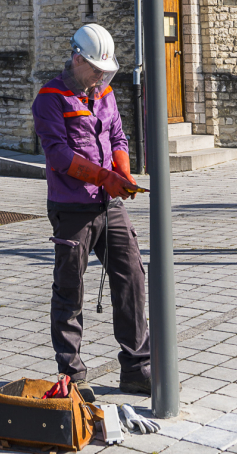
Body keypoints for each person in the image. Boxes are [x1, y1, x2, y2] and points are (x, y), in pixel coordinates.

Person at [32, 23, 151, 396]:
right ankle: (72, 375)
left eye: (106, 71)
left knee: (132, 276)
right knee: (70, 289)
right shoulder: (50, 98)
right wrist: (105, 177)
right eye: (96, 69)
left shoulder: (105, 93)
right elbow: (59, 155)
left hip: (108, 202)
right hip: (72, 207)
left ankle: (136, 367)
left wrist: (123, 174)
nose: (101, 76)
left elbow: (117, 135)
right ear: (77, 58)